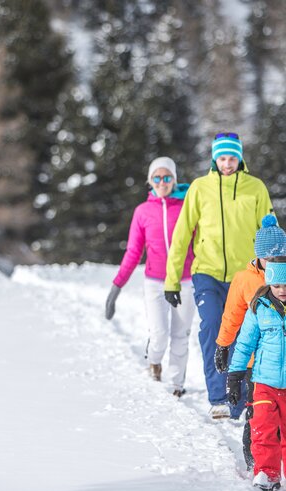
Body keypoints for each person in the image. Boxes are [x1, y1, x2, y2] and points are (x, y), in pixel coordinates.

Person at [164, 132, 273, 419]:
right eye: (222, 158)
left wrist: (274, 272)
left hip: (246, 275)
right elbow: (182, 234)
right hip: (207, 272)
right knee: (213, 325)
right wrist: (171, 279)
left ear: (240, 157)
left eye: (232, 157)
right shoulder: (200, 188)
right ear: (214, 158)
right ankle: (218, 396)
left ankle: (241, 400)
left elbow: (269, 234)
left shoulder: (256, 188)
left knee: (245, 333)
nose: (227, 163)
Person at [105, 157, 195, 396]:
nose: (162, 182)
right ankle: (154, 360)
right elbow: (134, 251)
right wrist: (117, 286)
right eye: (157, 177)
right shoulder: (143, 211)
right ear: (150, 181)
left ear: (174, 179)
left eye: (167, 177)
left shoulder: (187, 206)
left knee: (180, 335)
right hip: (155, 282)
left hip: (185, 280)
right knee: (159, 334)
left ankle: (177, 384)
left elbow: (201, 242)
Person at [215, 215, 286, 468]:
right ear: (258, 256)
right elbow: (232, 315)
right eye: (267, 258)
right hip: (255, 365)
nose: (272, 264)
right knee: (259, 415)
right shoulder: (245, 279)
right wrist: (223, 344)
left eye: (278, 257)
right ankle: (256, 462)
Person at [227, 257, 286, 491]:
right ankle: (267, 472)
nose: (282, 290)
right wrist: (234, 377)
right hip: (263, 383)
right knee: (262, 428)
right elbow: (244, 345)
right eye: (277, 285)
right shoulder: (259, 308)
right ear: (270, 283)